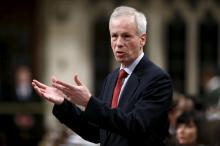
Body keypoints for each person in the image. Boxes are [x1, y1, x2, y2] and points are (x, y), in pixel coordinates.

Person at [32, 6, 173, 146]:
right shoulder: (112, 79)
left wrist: (89, 103)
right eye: (114, 36)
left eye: (126, 36)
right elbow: (96, 132)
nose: (118, 44)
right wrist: (63, 104)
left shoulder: (158, 80)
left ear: (142, 40)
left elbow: (135, 125)